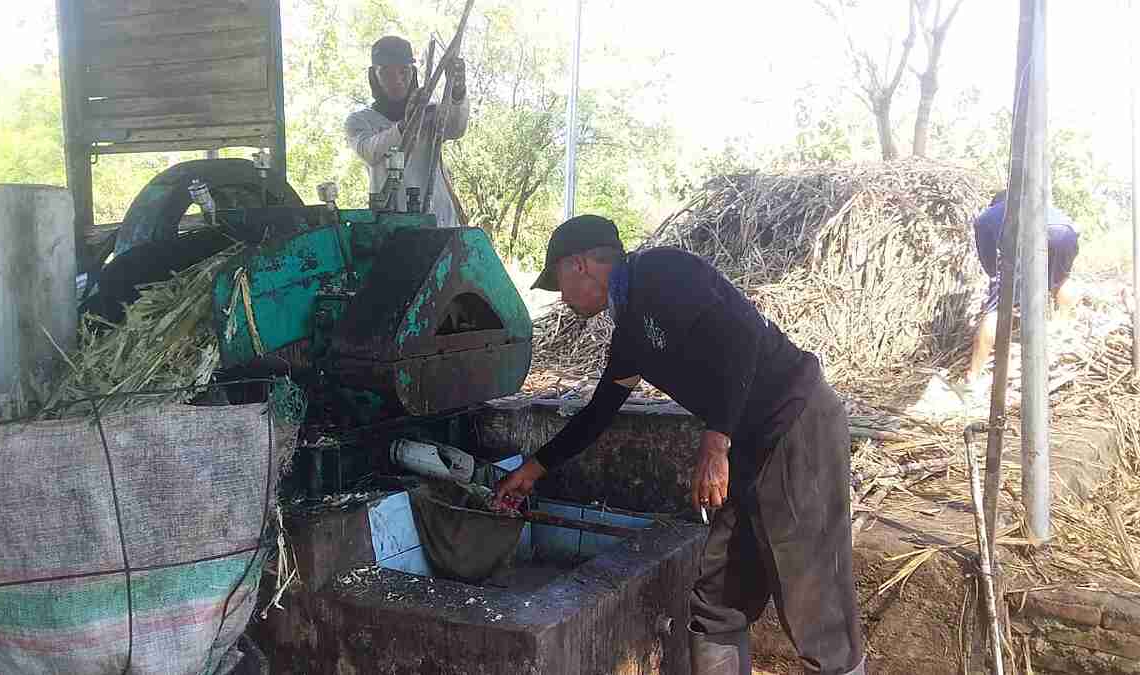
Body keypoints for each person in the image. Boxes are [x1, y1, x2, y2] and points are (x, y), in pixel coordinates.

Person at [494, 215, 865, 675]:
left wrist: (716, 443)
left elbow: (743, 337)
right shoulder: (631, 334)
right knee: (718, 600)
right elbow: (598, 413)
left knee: (816, 603)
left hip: (794, 422)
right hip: (749, 443)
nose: (563, 299)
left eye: (559, 285)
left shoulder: (662, 271)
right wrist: (533, 469)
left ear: (580, 266)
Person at [345, 35, 469, 227]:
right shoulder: (359, 121)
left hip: (441, 221)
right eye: (386, 72)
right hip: (394, 226)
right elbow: (370, 152)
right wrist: (406, 125)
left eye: (403, 71)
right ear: (373, 76)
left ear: (413, 73)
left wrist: (458, 92)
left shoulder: (430, 113)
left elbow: (456, 128)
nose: (397, 80)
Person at [964, 190, 1080, 382]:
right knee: (1061, 279)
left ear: (995, 204)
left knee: (996, 309)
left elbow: (991, 265)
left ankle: (973, 374)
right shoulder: (1035, 201)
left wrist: (1003, 288)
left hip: (1032, 231)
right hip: (1066, 231)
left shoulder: (987, 218)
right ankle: (1062, 327)